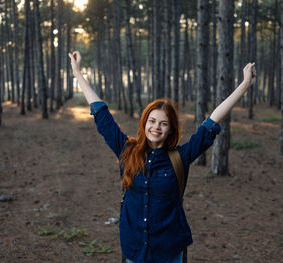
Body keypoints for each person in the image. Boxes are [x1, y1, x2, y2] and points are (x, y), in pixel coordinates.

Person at [68, 51, 256, 263]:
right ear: (144, 123)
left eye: (163, 123)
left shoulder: (180, 157)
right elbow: (102, 115)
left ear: (170, 129)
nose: (156, 127)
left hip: (169, 250)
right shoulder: (127, 151)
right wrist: (77, 72)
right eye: (152, 121)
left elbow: (211, 123)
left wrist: (244, 85)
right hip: (134, 249)